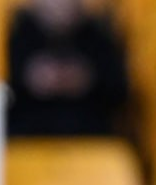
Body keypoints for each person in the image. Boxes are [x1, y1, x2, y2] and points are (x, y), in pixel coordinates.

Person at [7, 0, 129, 137]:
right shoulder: (18, 34)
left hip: (89, 134)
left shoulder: (98, 36)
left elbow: (120, 92)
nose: (60, 6)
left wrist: (88, 79)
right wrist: (30, 78)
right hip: (28, 134)